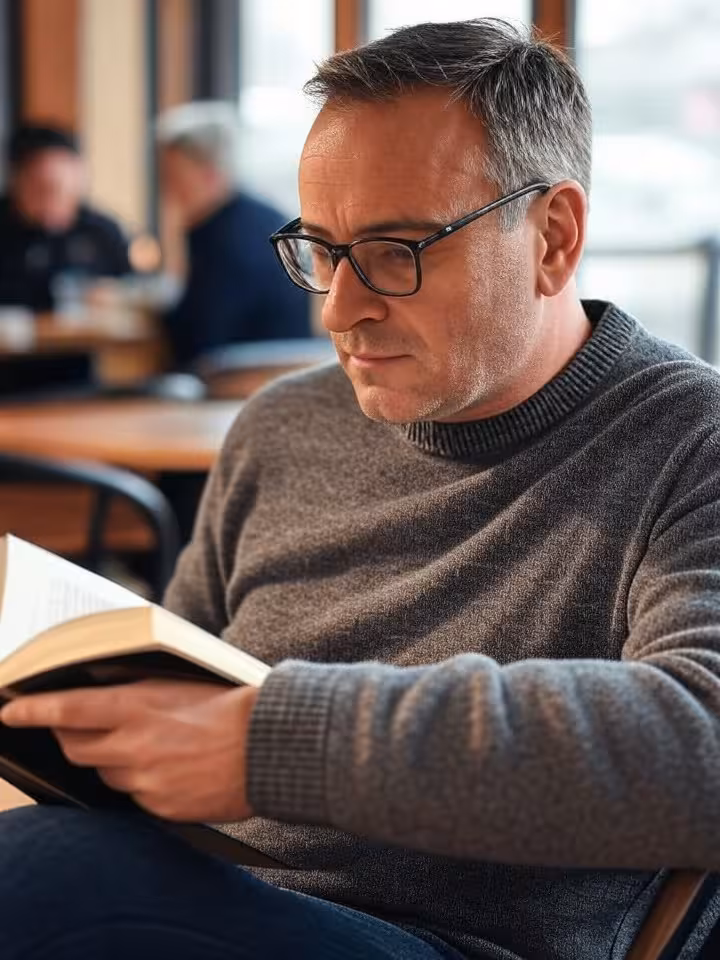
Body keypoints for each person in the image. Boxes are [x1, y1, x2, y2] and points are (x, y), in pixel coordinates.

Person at [2, 18, 720, 960]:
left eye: (396, 251)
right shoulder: (282, 425)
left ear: (553, 237)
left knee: (47, 877)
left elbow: (701, 747)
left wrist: (281, 746)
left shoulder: (687, 441)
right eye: (321, 248)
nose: (338, 309)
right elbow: (171, 668)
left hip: (447, 942)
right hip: (210, 896)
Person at [156, 103, 311, 369]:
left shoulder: (226, 236)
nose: (169, 190)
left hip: (240, 374)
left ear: (210, 174)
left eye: (175, 176)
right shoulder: (260, 216)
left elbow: (201, 336)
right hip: (283, 366)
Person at [0, 124, 131, 312]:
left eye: (67, 190)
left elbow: (131, 288)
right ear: (16, 181)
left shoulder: (101, 231)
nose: (56, 201)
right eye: (44, 189)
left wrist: (114, 296)